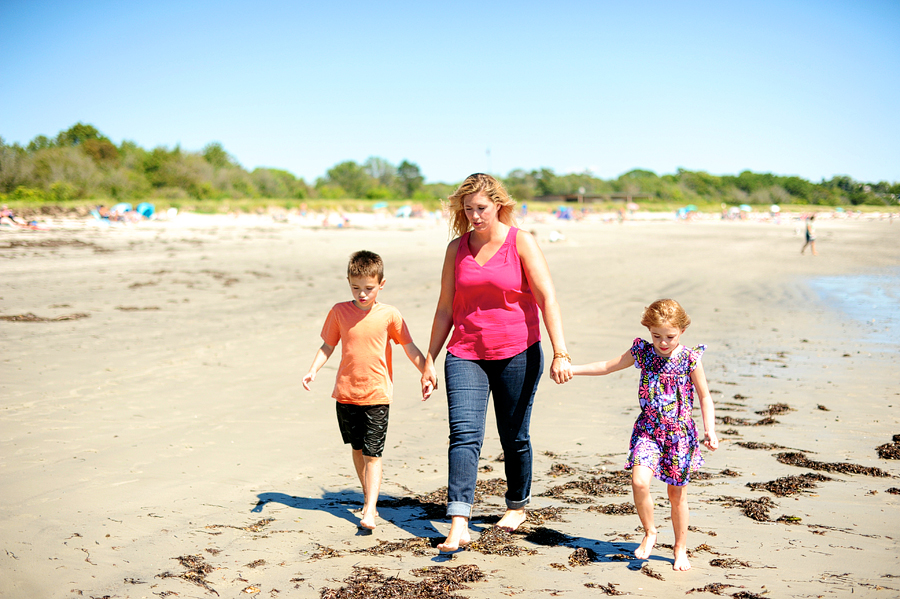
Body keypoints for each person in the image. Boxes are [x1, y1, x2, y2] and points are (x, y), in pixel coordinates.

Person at [420, 173, 572, 552]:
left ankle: (517, 506)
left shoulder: (522, 243)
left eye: (482, 208)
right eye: (468, 209)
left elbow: (546, 298)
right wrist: (430, 358)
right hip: (465, 352)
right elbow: (444, 309)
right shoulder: (456, 249)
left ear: (499, 205)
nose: (475, 216)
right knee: (464, 435)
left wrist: (560, 352)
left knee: (514, 436)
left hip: (518, 351)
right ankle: (458, 522)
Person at [570, 299, 717, 571]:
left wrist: (710, 429)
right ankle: (650, 532)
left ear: (682, 331)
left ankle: (680, 548)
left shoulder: (689, 359)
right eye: (656, 335)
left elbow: (705, 396)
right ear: (649, 330)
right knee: (639, 481)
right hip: (648, 431)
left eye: (669, 337)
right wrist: (573, 369)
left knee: (677, 496)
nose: (662, 342)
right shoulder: (643, 353)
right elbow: (607, 366)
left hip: (680, 437)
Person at [302, 250, 427, 530]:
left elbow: (409, 347)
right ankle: (368, 497)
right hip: (345, 393)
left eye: (368, 289)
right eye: (355, 287)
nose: (362, 294)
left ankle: (370, 510)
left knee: (373, 453)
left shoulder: (389, 315)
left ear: (381, 285)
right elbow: (328, 346)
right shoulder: (339, 312)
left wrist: (426, 371)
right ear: (348, 281)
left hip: (377, 394)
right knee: (357, 448)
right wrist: (313, 370)